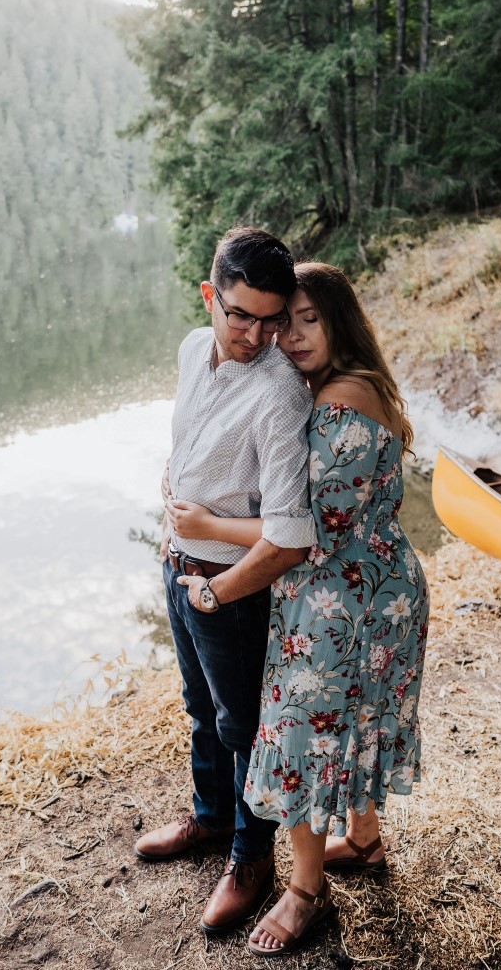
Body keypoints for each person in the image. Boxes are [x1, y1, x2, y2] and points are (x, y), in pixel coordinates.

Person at [171, 262, 430, 956]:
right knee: (357, 719)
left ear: (339, 319)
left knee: (297, 737)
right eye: (282, 320)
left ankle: (306, 892)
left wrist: (209, 527)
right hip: (373, 586)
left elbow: (305, 528)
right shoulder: (353, 385)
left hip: (344, 599)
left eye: (307, 318)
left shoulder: (340, 406)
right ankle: (366, 841)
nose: (288, 335)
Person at [134, 228, 317, 937]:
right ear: (210, 296)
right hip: (175, 564)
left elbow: (289, 533)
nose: (257, 334)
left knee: (243, 725)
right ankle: (209, 819)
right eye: (239, 314)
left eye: (271, 319)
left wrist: (216, 577)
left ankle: (251, 857)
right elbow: (188, 442)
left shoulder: (279, 394)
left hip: (230, 585)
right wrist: (172, 506)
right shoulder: (189, 348)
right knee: (197, 707)